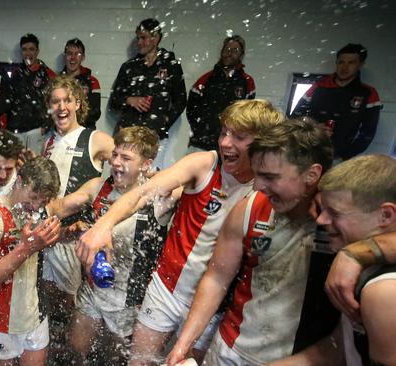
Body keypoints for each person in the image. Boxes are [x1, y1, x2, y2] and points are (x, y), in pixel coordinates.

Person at [76, 99, 284, 365]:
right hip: (167, 289)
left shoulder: (267, 188)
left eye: (239, 137)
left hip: (215, 302)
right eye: (224, 132)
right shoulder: (204, 163)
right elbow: (143, 193)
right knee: (139, 362)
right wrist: (103, 226)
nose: (225, 143)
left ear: (263, 142)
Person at [167, 119, 333, 365]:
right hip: (230, 351)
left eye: (270, 177)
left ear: (312, 174)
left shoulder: (342, 219)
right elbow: (216, 279)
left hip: (299, 358)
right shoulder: (250, 207)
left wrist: (357, 253)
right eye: (257, 175)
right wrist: (183, 344)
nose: (258, 186)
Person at [46, 126, 171, 365]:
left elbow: (183, 183)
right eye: (115, 155)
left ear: (145, 164)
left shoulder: (159, 198)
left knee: (115, 361)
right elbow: (58, 207)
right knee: (75, 352)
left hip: (128, 301)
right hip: (93, 290)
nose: (116, 163)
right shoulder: (98, 186)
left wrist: (155, 173)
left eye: (126, 158)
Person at [272, 154, 396, 366]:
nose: (321, 220)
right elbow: (340, 347)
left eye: (335, 213)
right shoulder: (367, 270)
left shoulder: (384, 292)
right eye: (323, 209)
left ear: (384, 216)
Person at [0, 155, 62, 366]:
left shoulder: (40, 211)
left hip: (35, 315)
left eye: (44, 200)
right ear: (19, 181)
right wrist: (27, 247)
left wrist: (68, 233)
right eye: (33, 197)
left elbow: (74, 201)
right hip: (0, 320)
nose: (37, 205)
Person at [40, 76, 114, 332]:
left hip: (74, 238)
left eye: (67, 100)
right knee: (51, 294)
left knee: (71, 300)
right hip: (49, 235)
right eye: (55, 101)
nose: (61, 107)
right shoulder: (48, 142)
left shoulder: (94, 139)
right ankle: (59, 339)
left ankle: (73, 348)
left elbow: (127, 163)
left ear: (78, 104)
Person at [109, 18, 187, 170]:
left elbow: (181, 101)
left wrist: (162, 123)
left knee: (151, 183)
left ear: (156, 38)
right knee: (122, 179)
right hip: (127, 136)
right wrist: (129, 100)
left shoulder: (171, 66)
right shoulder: (129, 67)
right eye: (138, 37)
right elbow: (114, 100)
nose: (139, 42)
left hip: (155, 138)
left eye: (143, 37)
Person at [292, 43, 382, 161]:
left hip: (339, 157)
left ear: (360, 64)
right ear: (336, 63)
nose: (344, 67)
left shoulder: (368, 93)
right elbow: (294, 117)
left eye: (351, 63)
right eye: (341, 62)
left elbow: (367, 133)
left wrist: (346, 155)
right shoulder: (319, 86)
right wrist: (313, 128)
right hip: (308, 151)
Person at [186, 35, 256, 152]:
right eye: (227, 49)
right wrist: (201, 130)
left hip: (229, 146)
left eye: (235, 50)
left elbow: (247, 116)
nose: (230, 53)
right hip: (200, 144)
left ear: (241, 55)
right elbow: (191, 110)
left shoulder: (247, 82)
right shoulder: (206, 79)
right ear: (221, 52)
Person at [8, 33, 56, 153]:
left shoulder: (48, 74)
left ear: (37, 51)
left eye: (31, 49)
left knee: (36, 168)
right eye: (24, 49)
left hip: (37, 131)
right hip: (16, 131)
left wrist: (46, 126)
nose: (28, 53)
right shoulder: (15, 73)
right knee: (17, 167)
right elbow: (8, 100)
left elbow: (54, 103)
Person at [59, 38, 101, 130]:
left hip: (85, 130)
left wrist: (74, 121)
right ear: (65, 56)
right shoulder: (57, 81)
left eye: (77, 54)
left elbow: (95, 113)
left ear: (83, 57)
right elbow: (52, 109)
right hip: (62, 131)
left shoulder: (93, 81)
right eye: (69, 53)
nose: (73, 57)